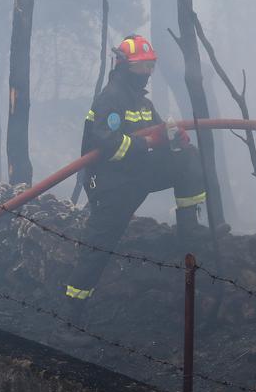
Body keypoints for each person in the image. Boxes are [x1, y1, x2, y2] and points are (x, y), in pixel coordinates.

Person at [63, 35, 206, 303]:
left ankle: (190, 231)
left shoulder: (142, 103)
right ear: (124, 66)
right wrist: (147, 143)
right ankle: (70, 317)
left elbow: (159, 133)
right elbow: (106, 146)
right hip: (111, 184)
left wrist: (174, 140)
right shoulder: (111, 99)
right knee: (98, 248)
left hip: (137, 174)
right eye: (142, 67)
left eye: (150, 66)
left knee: (187, 158)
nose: (147, 73)